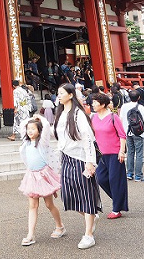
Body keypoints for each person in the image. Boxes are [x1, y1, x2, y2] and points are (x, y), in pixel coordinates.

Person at [53, 83, 101, 250]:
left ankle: (89, 235)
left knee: (86, 195)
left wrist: (89, 161)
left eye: (61, 93)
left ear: (71, 95)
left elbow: (88, 137)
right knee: (67, 195)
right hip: (66, 157)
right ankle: (92, 216)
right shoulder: (60, 112)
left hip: (80, 158)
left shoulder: (78, 113)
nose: (58, 96)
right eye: (57, 93)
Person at [18, 116, 65, 246]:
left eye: (33, 129)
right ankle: (30, 235)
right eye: (28, 129)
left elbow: (45, 127)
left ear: (39, 130)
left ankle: (60, 226)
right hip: (31, 177)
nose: (30, 131)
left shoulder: (42, 142)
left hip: (43, 176)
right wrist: (30, 119)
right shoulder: (26, 142)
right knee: (32, 206)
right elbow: (21, 125)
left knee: (49, 204)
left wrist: (40, 118)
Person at [91, 93, 128, 219]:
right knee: (101, 178)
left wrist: (121, 151)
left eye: (95, 102)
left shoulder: (113, 117)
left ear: (102, 104)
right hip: (101, 155)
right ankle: (119, 199)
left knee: (114, 180)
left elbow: (122, 135)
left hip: (115, 154)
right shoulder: (93, 117)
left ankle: (116, 208)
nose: (93, 104)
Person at [120, 89, 144, 182]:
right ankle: (138, 175)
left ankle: (129, 173)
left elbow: (120, 119)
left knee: (130, 152)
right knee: (139, 153)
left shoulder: (124, 106)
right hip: (138, 132)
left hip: (127, 132)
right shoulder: (140, 107)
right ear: (139, 97)